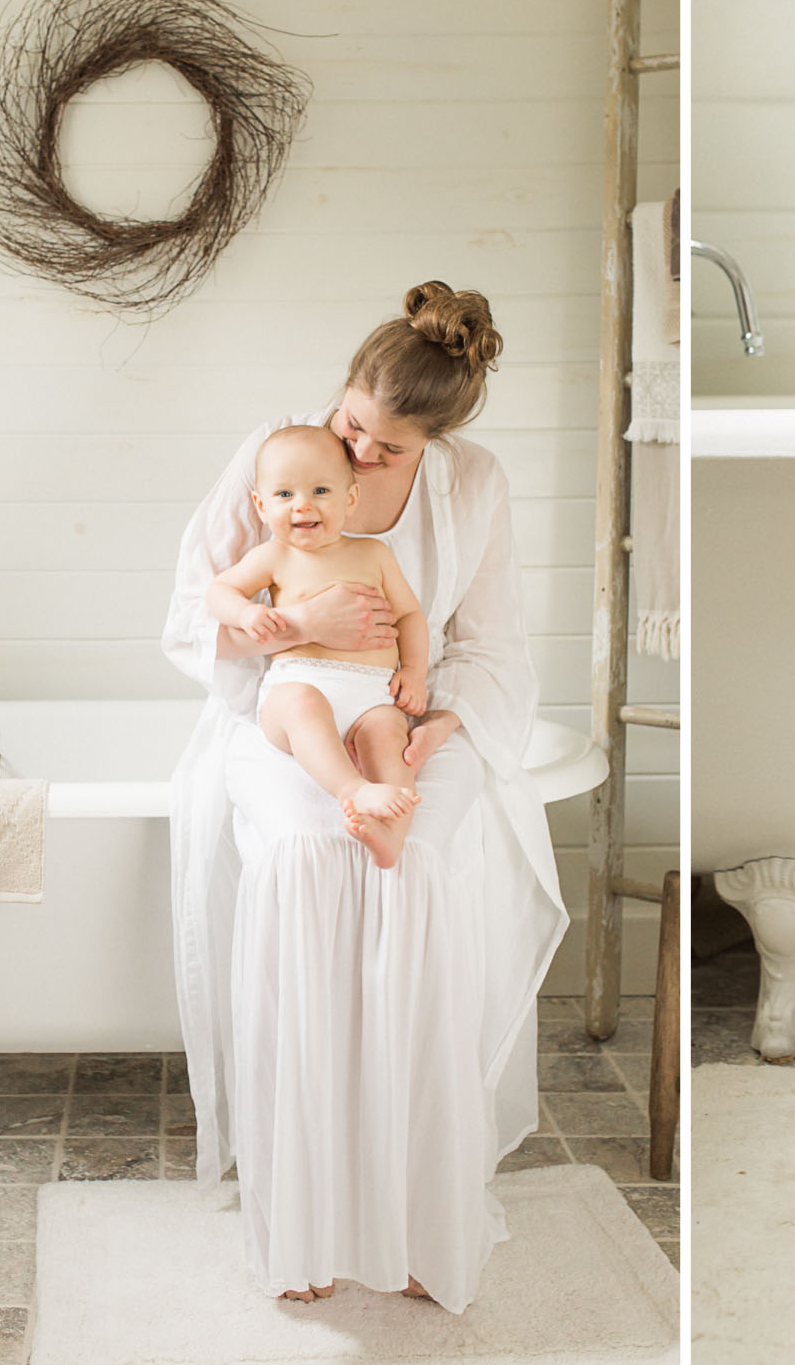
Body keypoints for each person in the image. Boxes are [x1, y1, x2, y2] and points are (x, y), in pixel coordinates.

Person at [162, 282, 567, 1308]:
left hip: (412, 719)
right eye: (354, 427)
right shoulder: (281, 453)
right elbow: (194, 611)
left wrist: (437, 714)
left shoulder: (474, 485)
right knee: (310, 851)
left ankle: (420, 1218)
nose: (359, 457)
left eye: (389, 448)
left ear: (435, 441)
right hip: (286, 710)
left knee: (415, 861)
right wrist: (303, 633)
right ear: (340, 395)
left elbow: (490, 644)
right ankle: (303, 1222)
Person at [204, 423, 428, 862]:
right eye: (284, 495)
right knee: (301, 703)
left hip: (372, 695)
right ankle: (353, 788)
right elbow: (218, 592)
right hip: (300, 685)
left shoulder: (374, 554)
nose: (303, 504)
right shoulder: (275, 556)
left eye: (320, 490)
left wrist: (414, 671)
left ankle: (391, 838)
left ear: (350, 498)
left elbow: (409, 614)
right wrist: (247, 612)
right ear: (261, 505)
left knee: (389, 735)